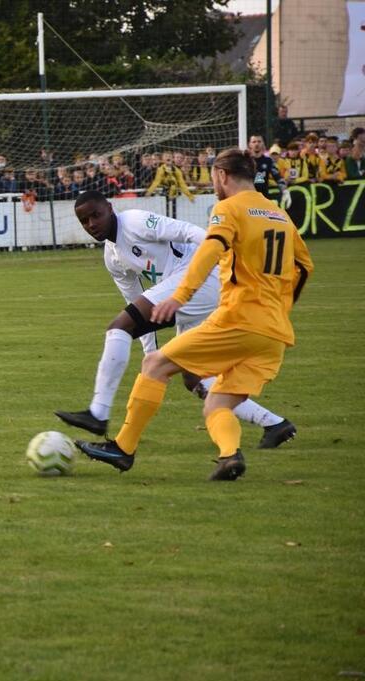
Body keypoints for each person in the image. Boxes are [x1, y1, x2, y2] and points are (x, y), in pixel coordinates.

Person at [76, 149, 314, 480]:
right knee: (215, 401)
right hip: (275, 332)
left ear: (222, 175)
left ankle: (123, 448)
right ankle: (232, 455)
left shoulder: (228, 208)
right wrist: (281, 308)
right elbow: (304, 267)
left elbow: (209, 250)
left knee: (154, 365)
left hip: (237, 319)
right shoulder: (280, 215)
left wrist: (179, 296)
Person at [56, 189, 296, 449]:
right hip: (188, 292)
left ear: (110, 208)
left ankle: (98, 413)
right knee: (193, 376)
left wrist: (225, 254)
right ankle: (274, 424)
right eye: (84, 221)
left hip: (203, 277)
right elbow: (134, 302)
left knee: (118, 326)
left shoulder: (135, 221)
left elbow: (186, 231)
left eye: (96, 215)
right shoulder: (113, 258)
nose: (92, 224)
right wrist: (152, 355)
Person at [248, 134, 291, 207]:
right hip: (247, 199)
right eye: (254, 142)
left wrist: (285, 191)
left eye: (259, 141)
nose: (256, 144)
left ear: (263, 144)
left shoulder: (268, 161)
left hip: (263, 198)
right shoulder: (245, 161)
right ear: (249, 144)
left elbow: (278, 177)